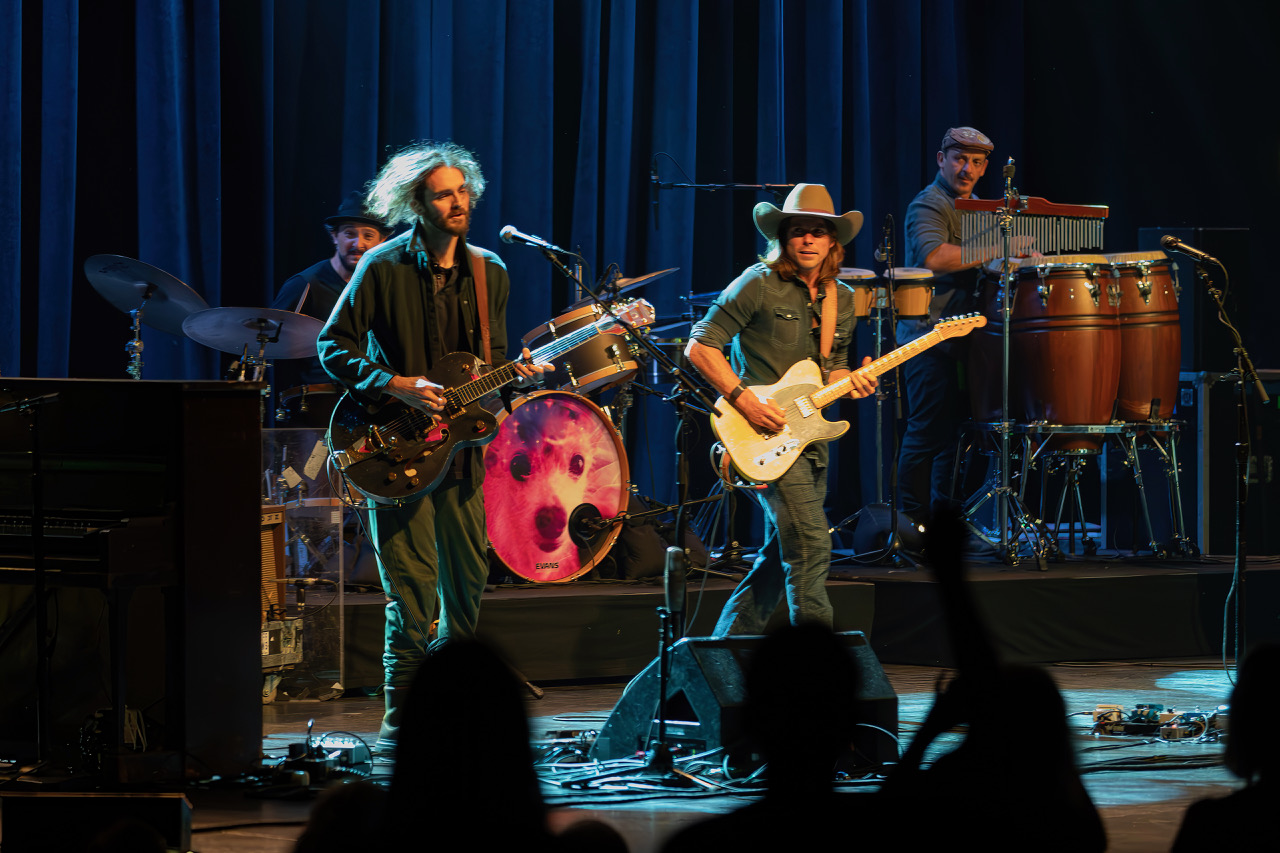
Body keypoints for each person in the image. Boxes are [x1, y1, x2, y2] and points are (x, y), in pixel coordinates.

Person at [317, 141, 547, 754]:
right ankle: (402, 727)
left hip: (462, 452)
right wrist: (397, 385)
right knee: (411, 590)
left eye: (462, 191)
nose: (457, 203)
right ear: (416, 202)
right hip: (391, 446)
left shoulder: (489, 270)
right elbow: (333, 348)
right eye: (443, 194)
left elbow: (488, 366)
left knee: (466, 585)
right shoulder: (382, 266)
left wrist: (511, 380)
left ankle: (456, 716)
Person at [685, 183, 877, 635]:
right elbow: (700, 346)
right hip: (761, 433)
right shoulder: (758, 282)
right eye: (798, 231)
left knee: (779, 555)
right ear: (784, 237)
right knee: (811, 543)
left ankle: (722, 653)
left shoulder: (842, 299)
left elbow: (832, 369)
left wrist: (854, 382)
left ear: (833, 241)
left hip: (809, 438)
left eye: (818, 231)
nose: (808, 239)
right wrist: (744, 401)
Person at [896, 126, 1007, 526]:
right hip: (928, 338)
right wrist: (1001, 247)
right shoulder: (928, 204)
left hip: (966, 340)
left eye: (976, 162)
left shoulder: (977, 208)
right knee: (926, 434)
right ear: (941, 159)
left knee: (955, 438)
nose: (967, 168)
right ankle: (911, 526)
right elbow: (934, 257)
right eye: (960, 158)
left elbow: (988, 263)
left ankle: (941, 525)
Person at [272, 192, 392, 408]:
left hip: (372, 404)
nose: (359, 244)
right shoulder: (305, 284)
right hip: (316, 404)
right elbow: (270, 341)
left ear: (382, 241)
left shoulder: (385, 288)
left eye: (368, 235)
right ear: (334, 236)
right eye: (349, 234)